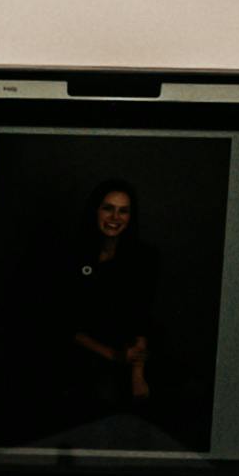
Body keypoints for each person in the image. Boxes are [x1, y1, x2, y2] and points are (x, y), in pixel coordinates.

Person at [55, 177, 160, 428]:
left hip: (124, 356)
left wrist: (137, 374)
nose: (115, 217)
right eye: (108, 208)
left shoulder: (143, 258)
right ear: (96, 210)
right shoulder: (70, 254)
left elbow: (142, 318)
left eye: (123, 211)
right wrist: (112, 356)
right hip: (78, 351)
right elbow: (62, 321)